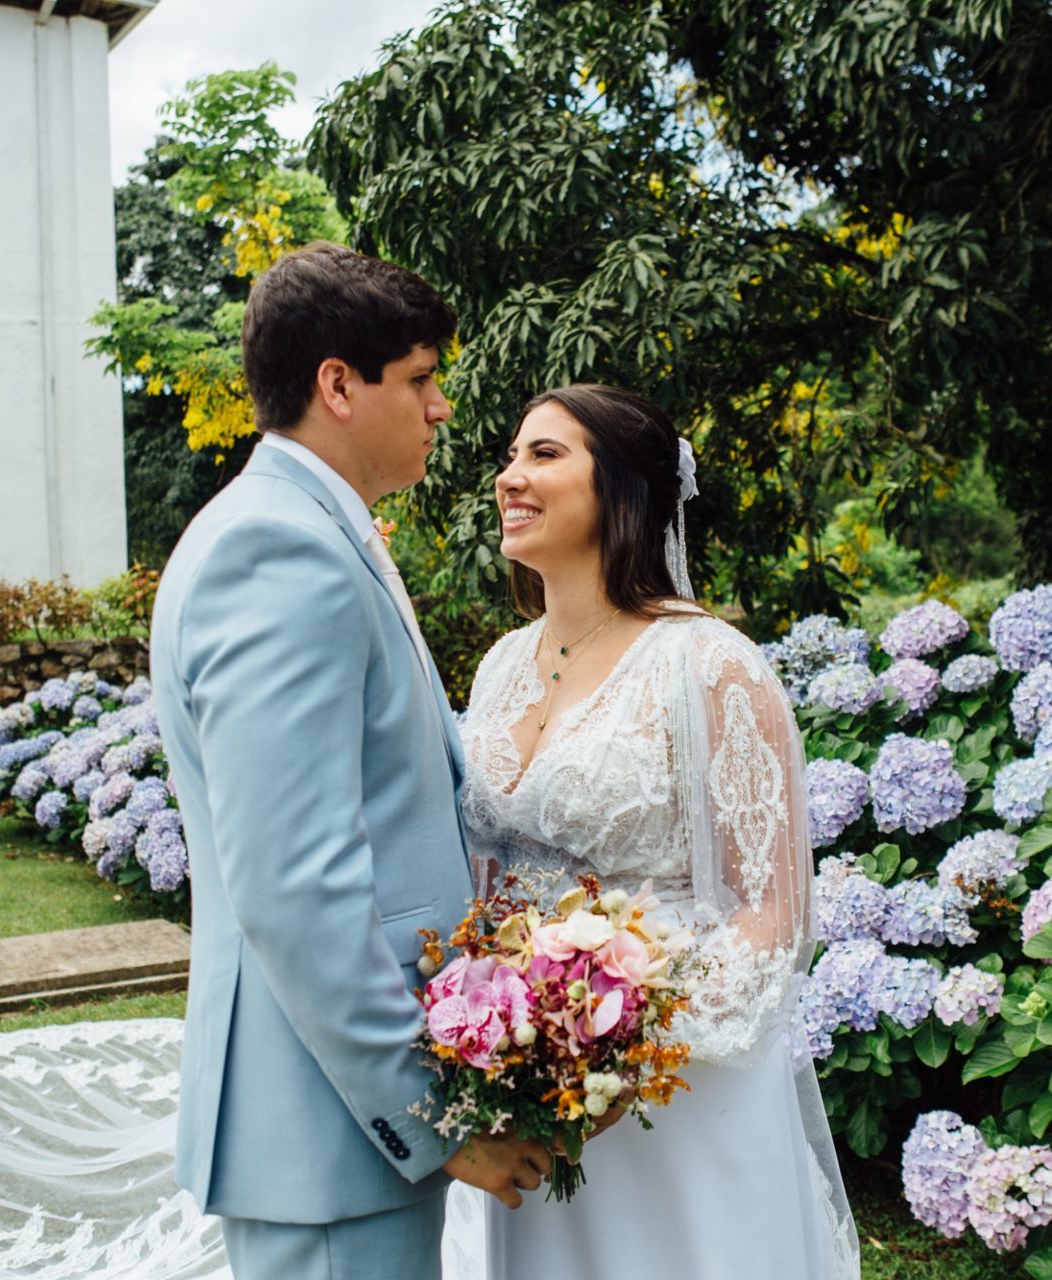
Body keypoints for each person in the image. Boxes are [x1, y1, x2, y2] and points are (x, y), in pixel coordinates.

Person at [150, 242, 554, 1280]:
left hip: (327, 1130)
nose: (442, 407)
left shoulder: (306, 529)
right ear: (339, 383)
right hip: (325, 1135)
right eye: (420, 378)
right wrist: (434, 1109)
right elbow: (294, 883)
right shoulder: (279, 551)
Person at [440, 384, 861, 1279]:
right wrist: (501, 1035)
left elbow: (773, 909)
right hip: (527, 1084)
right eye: (512, 456)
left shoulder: (710, 665)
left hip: (675, 1089)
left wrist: (625, 1050)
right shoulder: (502, 665)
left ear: (622, 487)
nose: (511, 478)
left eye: (545, 455)